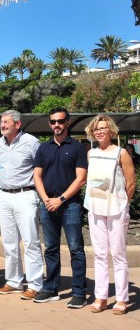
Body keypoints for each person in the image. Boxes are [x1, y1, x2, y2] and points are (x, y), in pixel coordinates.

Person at [32, 107, 88, 307]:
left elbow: (81, 179)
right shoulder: (43, 148)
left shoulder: (77, 147)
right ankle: (50, 289)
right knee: (51, 249)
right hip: (48, 204)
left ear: (68, 123)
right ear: (50, 124)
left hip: (70, 205)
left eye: (61, 121)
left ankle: (79, 292)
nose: (57, 125)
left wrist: (61, 199)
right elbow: (37, 176)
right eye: (53, 121)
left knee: (76, 249)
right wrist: (46, 198)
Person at [83, 115, 136, 315]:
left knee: (118, 254)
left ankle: (122, 299)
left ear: (111, 130)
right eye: (96, 128)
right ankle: (101, 297)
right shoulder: (91, 154)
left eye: (103, 127)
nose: (99, 131)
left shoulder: (121, 153)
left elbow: (131, 183)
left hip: (116, 209)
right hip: (95, 209)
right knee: (100, 254)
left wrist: (123, 204)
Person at [0, 110, 42, 299]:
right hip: (4, 196)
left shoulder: (31, 142)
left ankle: (35, 284)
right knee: (9, 243)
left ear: (17, 124)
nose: (2, 125)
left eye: (6, 122)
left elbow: (41, 168)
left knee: (30, 241)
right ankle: (13, 281)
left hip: (25, 194)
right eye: (1, 122)